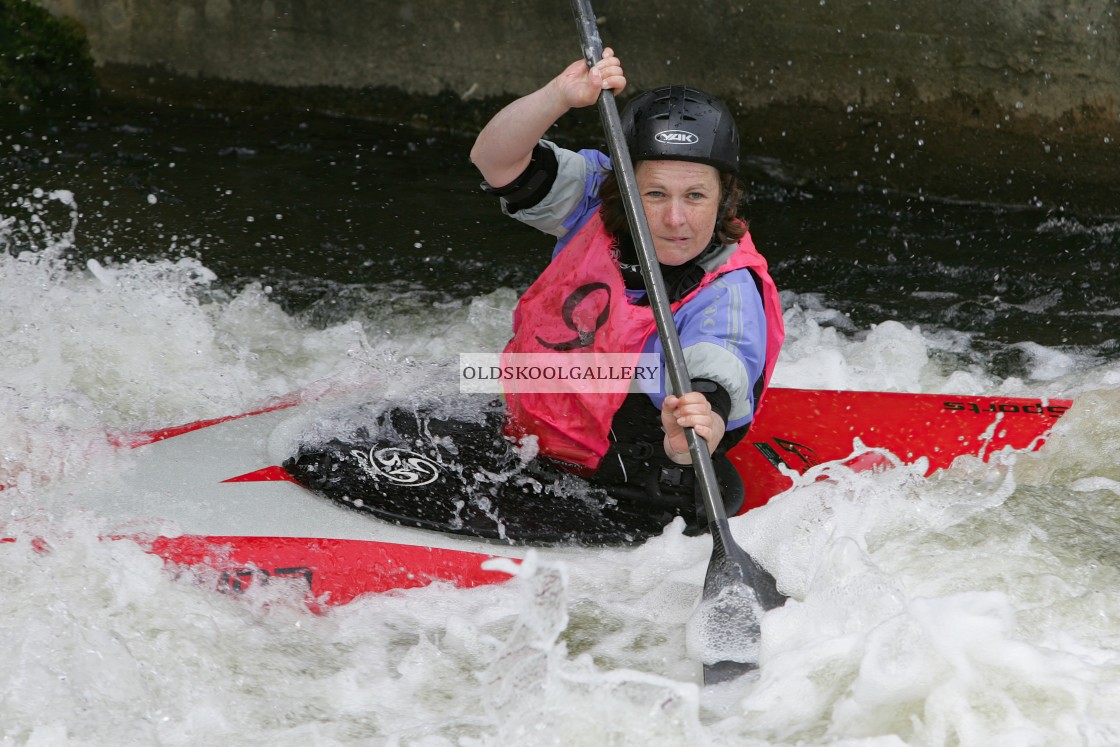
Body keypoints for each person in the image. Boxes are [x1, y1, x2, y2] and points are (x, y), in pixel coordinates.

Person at [469, 48, 785, 518]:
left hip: (632, 483)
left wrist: (698, 431)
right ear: (624, 187)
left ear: (724, 198)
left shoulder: (728, 289)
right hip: (526, 431)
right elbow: (493, 160)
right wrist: (557, 97)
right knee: (411, 404)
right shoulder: (595, 197)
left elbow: (719, 373)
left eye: (695, 196)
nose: (675, 219)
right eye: (654, 194)